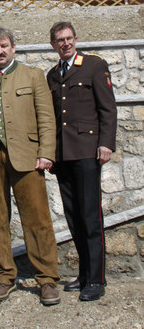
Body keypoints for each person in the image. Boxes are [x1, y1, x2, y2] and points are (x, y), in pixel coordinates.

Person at [0, 27, 60, 306]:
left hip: (28, 156)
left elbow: (46, 117)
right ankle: (3, 277)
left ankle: (47, 278)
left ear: (14, 47)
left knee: (37, 218)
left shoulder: (33, 75)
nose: (0, 51)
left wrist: (46, 152)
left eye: (4, 46)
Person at [47, 21, 117, 302]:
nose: (65, 43)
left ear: (75, 39)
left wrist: (106, 143)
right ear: (53, 44)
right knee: (73, 217)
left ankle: (97, 279)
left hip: (88, 152)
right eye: (59, 40)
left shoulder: (93, 65)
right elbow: (53, 117)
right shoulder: (52, 76)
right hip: (63, 156)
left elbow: (107, 108)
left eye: (68, 38)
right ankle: (85, 273)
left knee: (90, 216)